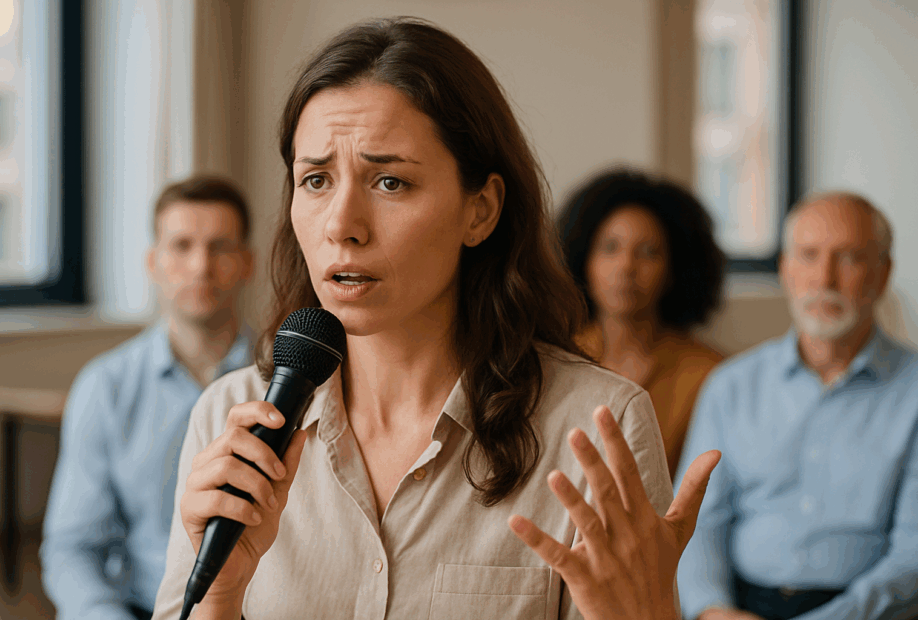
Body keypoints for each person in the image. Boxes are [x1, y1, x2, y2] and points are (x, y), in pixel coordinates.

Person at [151, 18, 719, 620]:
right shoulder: (228, 417)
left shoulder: (597, 428)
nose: (342, 224)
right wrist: (219, 594)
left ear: (482, 210)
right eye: (315, 179)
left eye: (390, 181)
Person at [676, 192, 918, 620]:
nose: (824, 278)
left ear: (883, 275)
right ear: (786, 270)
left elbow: (911, 555)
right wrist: (712, 610)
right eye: (808, 256)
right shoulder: (731, 385)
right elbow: (697, 524)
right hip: (741, 608)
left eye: (848, 259)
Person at [41, 175, 256, 620]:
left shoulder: (289, 383)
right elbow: (72, 547)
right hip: (140, 608)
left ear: (247, 262)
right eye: (181, 246)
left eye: (220, 247)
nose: (200, 266)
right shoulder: (106, 387)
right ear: (152, 262)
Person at [559, 169, 726, 477]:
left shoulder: (709, 375)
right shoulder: (556, 359)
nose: (626, 267)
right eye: (610, 248)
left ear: (675, 268)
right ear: (583, 259)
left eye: (648, 252)